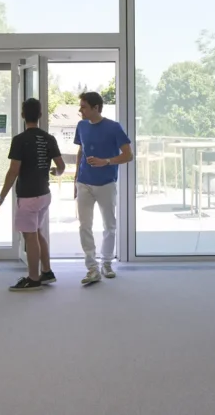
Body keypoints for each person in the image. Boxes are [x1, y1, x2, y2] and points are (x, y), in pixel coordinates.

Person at [0, 98, 65, 291]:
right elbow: (61, 167)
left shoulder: (20, 140)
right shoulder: (49, 138)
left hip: (28, 197)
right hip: (44, 195)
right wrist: (54, 173)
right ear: (40, 115)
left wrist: (0, 199)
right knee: (37, 233)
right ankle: (46, 272)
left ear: (23, 115)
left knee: (30, 236)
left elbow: (13, 171)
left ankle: (33, 278)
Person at [74, 91, 133, 286]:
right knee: (84, 225)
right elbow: (81, 151)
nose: (80, 110)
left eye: (83, 106)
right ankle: (92, 267)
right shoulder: (81, 126)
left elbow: (128, 155)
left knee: (109, 225)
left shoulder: (114, 128)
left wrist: (105, 161)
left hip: (106, 183)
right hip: (84, 183)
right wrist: (76, 179)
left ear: (96, 108)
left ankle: (106, 262)